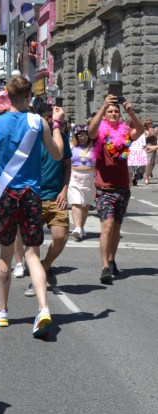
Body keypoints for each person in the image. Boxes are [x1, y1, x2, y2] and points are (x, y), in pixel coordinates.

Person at [0, 76, 65, 339]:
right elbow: (57, 154)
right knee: (32, 253)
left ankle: (2, 311)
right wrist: (56, 125)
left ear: (7, 97)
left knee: (5, 256)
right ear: (28, 97)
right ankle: (43, 308)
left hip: (5, 194)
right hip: (32, 195)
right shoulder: (38, 122)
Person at [88, 95, 144, 284]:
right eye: (110, 111)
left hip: (122, 188)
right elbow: (91, 129)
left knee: (117, 228)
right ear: (105, 114)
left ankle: (112, 260)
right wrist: (103, 106)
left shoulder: (126, 131)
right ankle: (104, 267)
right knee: (107, 227)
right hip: (104, 188)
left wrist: (131, 111)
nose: (113, 113)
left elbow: (141, 130)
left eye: (115, 112)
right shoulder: (100, 133)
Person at [23, 102, 72, 296]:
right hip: (34, 196)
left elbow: (67, 164)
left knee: (61, 237)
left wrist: (65, 190)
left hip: (56, 196)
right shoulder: (31, 140)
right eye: (48, 119)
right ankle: (37, 280)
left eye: (53, 120)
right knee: (33, 243)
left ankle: (44, 267)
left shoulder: (63, 139)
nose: (51, 122)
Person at [68, 124, 95, 240]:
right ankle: (77, 227)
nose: (82, 137)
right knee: (76, 202)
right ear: (76, 136)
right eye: (80, 135)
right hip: (74, 176)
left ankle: (81, 227)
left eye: (85, 135)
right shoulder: (71, 146)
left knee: (85, 204)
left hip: (89, 177)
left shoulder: (94, 147)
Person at [142, 118, 157, 185]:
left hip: (154, 147)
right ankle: (146, 177)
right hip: (147, 147)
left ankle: (147, 176)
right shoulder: (144, 131)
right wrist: (148, 135)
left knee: (152, 163)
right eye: (149, 123)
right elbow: (142, 139)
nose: (150, 125)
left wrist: (155, 133)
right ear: (146, 124)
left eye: (151, 123)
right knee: (148, 162)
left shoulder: (154, 130)